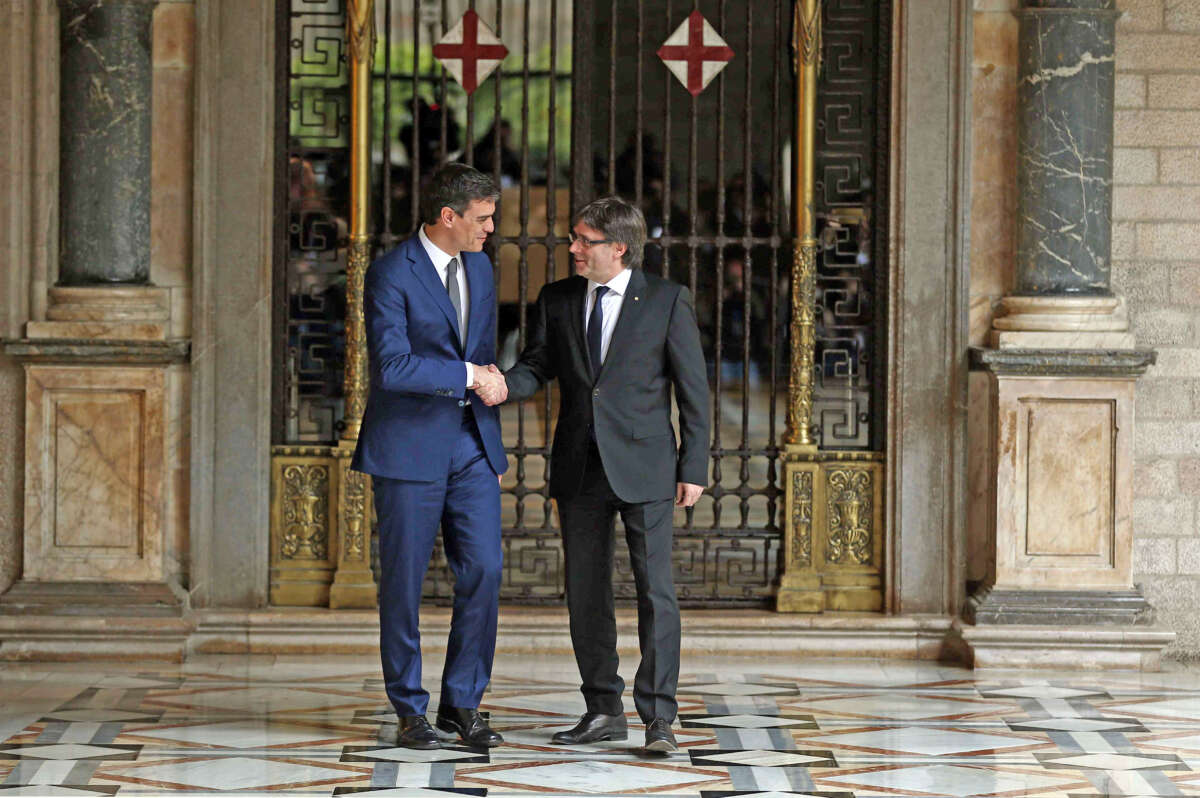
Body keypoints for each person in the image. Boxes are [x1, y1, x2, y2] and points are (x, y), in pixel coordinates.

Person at [479, 196, 709, 754]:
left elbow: (693, 390)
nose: (574, 249)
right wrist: (506, 384)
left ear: (619, 247)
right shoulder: (557, 299)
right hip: (579, 466)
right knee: (585, 592)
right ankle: (602, 709)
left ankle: (658, 719)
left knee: (656, 592)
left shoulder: (665, 300)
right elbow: (538, 365)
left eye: (585, 241)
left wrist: (694, 467)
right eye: (575, 239)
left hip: (647, 466)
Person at [351, 163, 510, 750]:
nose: (491, 228)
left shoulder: (483, 267)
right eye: (483, 218)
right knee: (403, 583)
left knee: (486, 570)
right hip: (408, 447)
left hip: (472, 443)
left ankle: (462, 704)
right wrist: (469, 375)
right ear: (450, 217)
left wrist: (488, 382)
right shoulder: (392, 272)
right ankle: (410, 709)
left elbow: (483, 349)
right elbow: (391, 367)